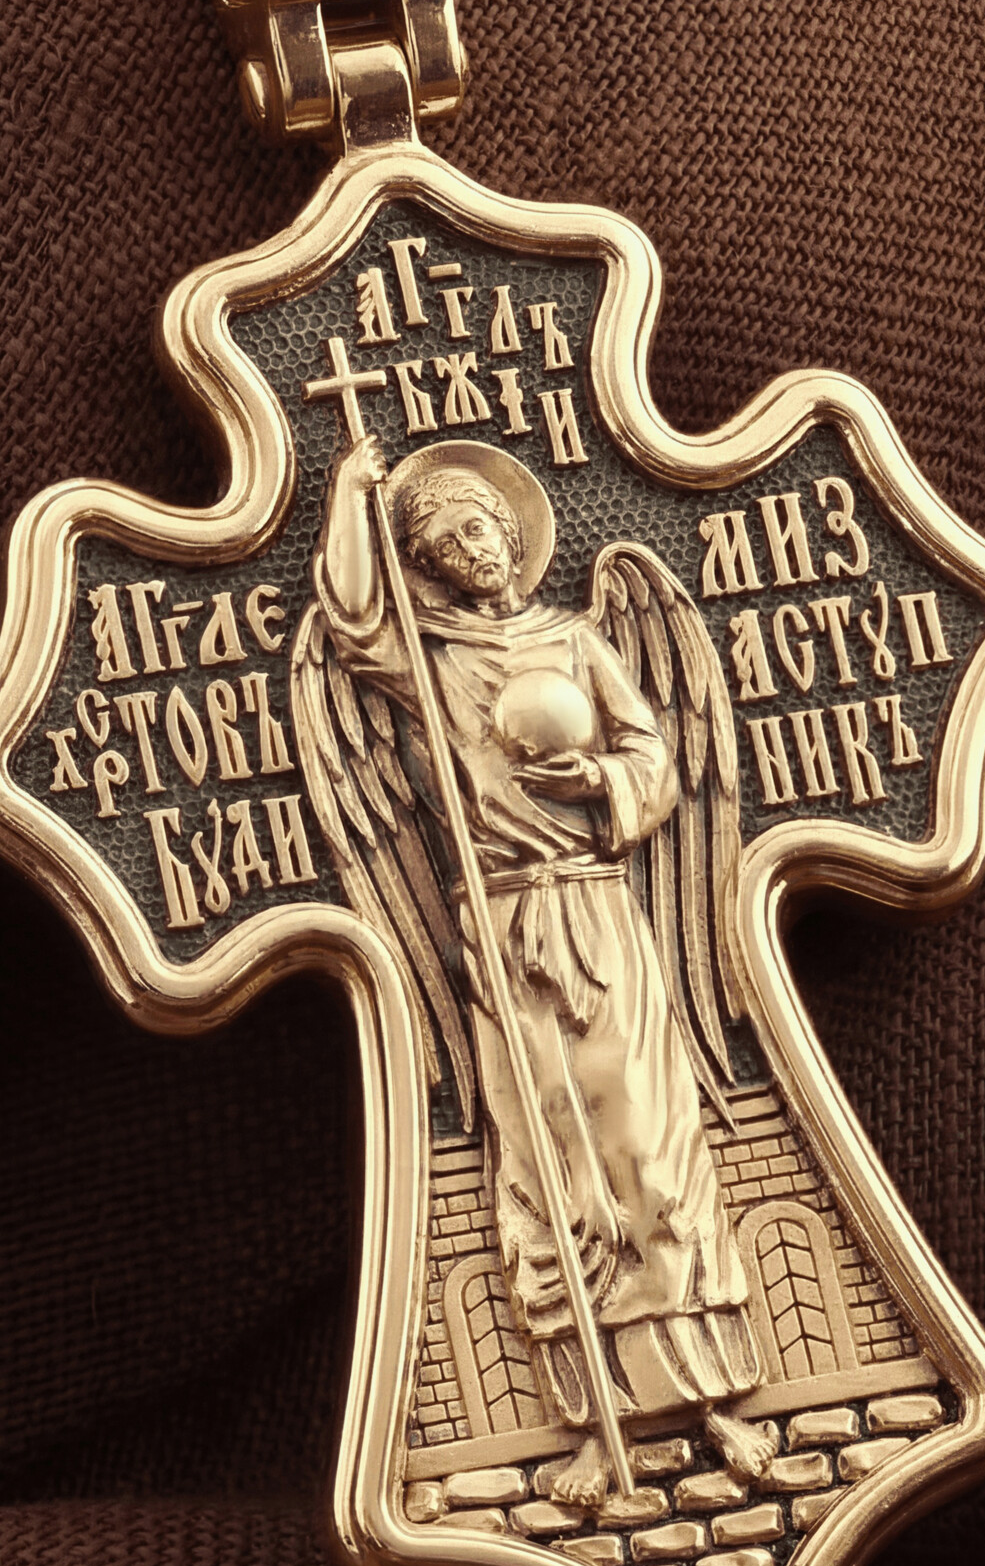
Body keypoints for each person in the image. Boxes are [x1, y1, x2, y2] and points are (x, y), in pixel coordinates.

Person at [313, 432, 775, 1504]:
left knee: (649, 1147)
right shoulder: (423, 659)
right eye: (445, 544)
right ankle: (594, 1423)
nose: (471, 551)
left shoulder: (574, 639)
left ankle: (716, 1400)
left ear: (511, 533)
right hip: (503, 921)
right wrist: (349, 494)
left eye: (479, 529)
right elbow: (351, 617)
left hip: (597, 910)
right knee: (552, 1173)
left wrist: (597, 781)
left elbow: (653, 754)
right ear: (428, 565)